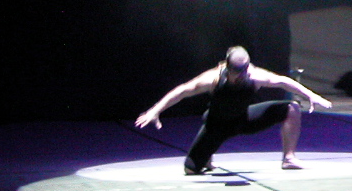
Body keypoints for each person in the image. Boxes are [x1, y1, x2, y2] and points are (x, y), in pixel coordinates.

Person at [135, 45, 333, 174]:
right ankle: (207, 157)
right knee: (191, 169)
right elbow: (182, 91)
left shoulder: (254, 76)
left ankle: (289, 158)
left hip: (244, 119)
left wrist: (311, 95)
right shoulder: (213, 79)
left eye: (244, 71)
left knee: (291, 108)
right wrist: (155, 110)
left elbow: (282, 81)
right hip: (217, 125)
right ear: (227, 68)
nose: (241, 76)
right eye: (237, 72)